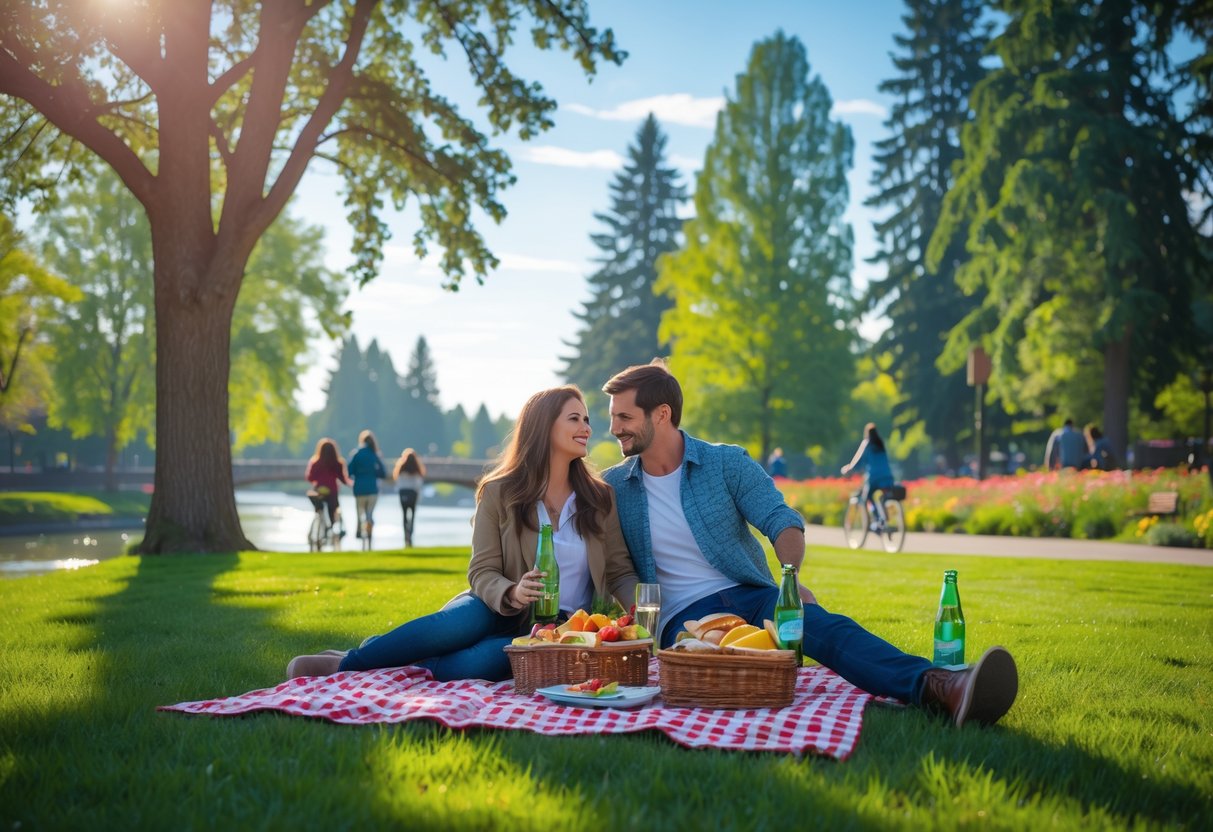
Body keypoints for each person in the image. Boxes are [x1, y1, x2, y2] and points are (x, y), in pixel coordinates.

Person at [601, 361, 1018, 728]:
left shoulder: (725, 463)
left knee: (820, 625)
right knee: (728, 667)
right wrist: (640, 617)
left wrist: (788, 581)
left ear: (662, 414)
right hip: (684, 619)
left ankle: (941, 686)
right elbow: (614, 566)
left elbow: (781, 521)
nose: (614, 428)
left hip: (754, 594)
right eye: (613, 417)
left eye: (624, 416)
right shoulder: (616, 486)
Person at [286, 386, 639, 682]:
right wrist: (513, 591)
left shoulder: (599, 497)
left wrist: (640, 611)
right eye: (574, 418)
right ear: (543, 427)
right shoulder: (501, 491)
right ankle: (347, 664)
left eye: (587, 419)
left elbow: (619, 569)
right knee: (451, 627)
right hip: (493, 603)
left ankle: (401, 658)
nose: (587, 427)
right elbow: (482, 570)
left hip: (557, 624)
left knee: (480, 664)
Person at [840, 423, 895, 514]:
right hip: (887, 476)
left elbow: (857, 460)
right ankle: (884, 517)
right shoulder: (881, 443)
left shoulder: (866, 443)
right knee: (884, 496)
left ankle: (877, 517)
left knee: (868, 497)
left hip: (874, 477)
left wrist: (849, 469)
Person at [305, 438, 350, 540]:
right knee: (333, 511)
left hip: (318, 492)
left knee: (319, 510)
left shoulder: (315, 462)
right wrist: (351, 483)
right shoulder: (338, 464)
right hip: (332, 492)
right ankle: (333, 526)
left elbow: (310, 477)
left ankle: (321, 525)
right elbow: (343, 479)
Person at [347, 429, 388, 540]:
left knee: (359, 512)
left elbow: (349, 472)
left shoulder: (356, 454)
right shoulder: (375, 455)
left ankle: (359, 530)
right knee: (369, 512)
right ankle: (369, 527)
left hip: (359, 488)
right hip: (372, 489)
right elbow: (383, 473)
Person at [393, 448, 427, 547]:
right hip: (413, 493)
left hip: (403, 493)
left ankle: (406, 535)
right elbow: (418, 484)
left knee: (404, 515)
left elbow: (398, 482)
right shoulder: (417, 470)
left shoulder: (401, 469)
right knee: (412, 515)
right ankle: (410, 534)